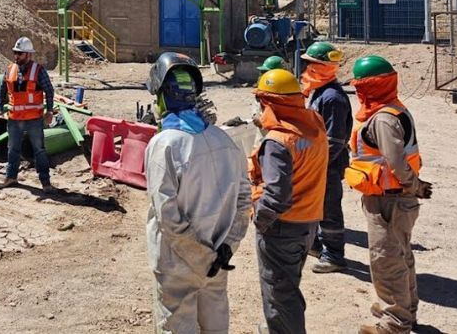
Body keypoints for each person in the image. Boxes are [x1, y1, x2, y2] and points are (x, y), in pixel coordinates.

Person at [144, 52, 251, 334]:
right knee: (215, 325)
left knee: (177, 326)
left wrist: (198, 256)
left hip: (178, 264)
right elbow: (244, 201)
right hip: (219, 258)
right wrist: (226, 247)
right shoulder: (224, 140)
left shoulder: (164, 145)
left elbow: (167, 216)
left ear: (162, 96)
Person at [347, 56, 432, 334]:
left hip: (389, 199)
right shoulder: (394, 109)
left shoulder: (382, 118)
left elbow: (396, 163)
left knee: (386, 261)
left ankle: (394, 324)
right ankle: (406, 313)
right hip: (395, 198)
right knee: (401, 256)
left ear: (368, 87)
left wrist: (413, 185)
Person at [249, 69, 328, 334]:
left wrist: (260, 220)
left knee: (280, 292)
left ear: (268, 102)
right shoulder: (315, 122)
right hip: (308, 221)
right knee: (288, 286)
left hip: (282, 226)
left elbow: (276, 194)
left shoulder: (277, 142)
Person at [300, 41, 353, 273]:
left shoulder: (332, 98)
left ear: (325, 68)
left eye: (313, 65)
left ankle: (334, 256)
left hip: (327, 165)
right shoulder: (319, 93)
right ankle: (317, 246)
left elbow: (335, 140)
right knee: (315, 207)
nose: (308, 69)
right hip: (317, 162)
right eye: (308, 64)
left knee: (329, 210)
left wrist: (317, 165)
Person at [0, 36, 55, 192]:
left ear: (28, 55)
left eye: (19, 54)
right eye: (15, 53)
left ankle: (46, 183)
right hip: (14, 119)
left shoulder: (38, 70)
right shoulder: (10, 69)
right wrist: (0, 109)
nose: (16, 56)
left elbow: (49, 90)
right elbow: (1, 90)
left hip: (34, 119)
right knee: (13, 149)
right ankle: (11, 177)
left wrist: (49, 111)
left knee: (39, 150)